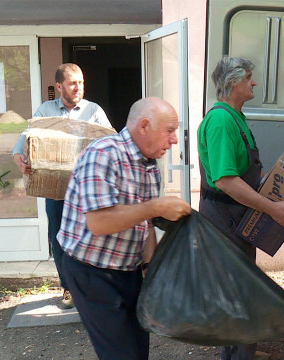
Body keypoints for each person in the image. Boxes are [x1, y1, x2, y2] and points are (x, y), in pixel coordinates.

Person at [57, 97, 191, 360]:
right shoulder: (103, 154)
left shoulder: (149, 164)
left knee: (138, 351)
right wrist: (155, 207)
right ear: (144, 126)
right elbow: (99, 222)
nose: (174, 140)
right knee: (121, 354)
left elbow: (145, 225)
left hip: (128, 270)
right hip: (91, 271)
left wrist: (149, 269)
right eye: (169, 131)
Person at [197, 56, 284, 360]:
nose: (253, 82)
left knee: (239, 292)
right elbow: (226, 180)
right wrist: (272, 208)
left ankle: (241, 353)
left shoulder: (235, 117)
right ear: (232, 83)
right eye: (248, 78)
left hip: (235, 219)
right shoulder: (220, 122)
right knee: (240, 295)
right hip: (222, 222)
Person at [12, 63, 112, 309]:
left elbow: (112, 141)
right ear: (59, 87)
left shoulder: (93, 111)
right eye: (72, 83)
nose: (78, 88)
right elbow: (24, 140)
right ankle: (68, 288)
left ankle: (90, 288)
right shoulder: (46, 110)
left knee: (91, 238)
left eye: (81, 83)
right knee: (59, 240)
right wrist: (19, 157)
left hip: (87, 192)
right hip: (55, 191)